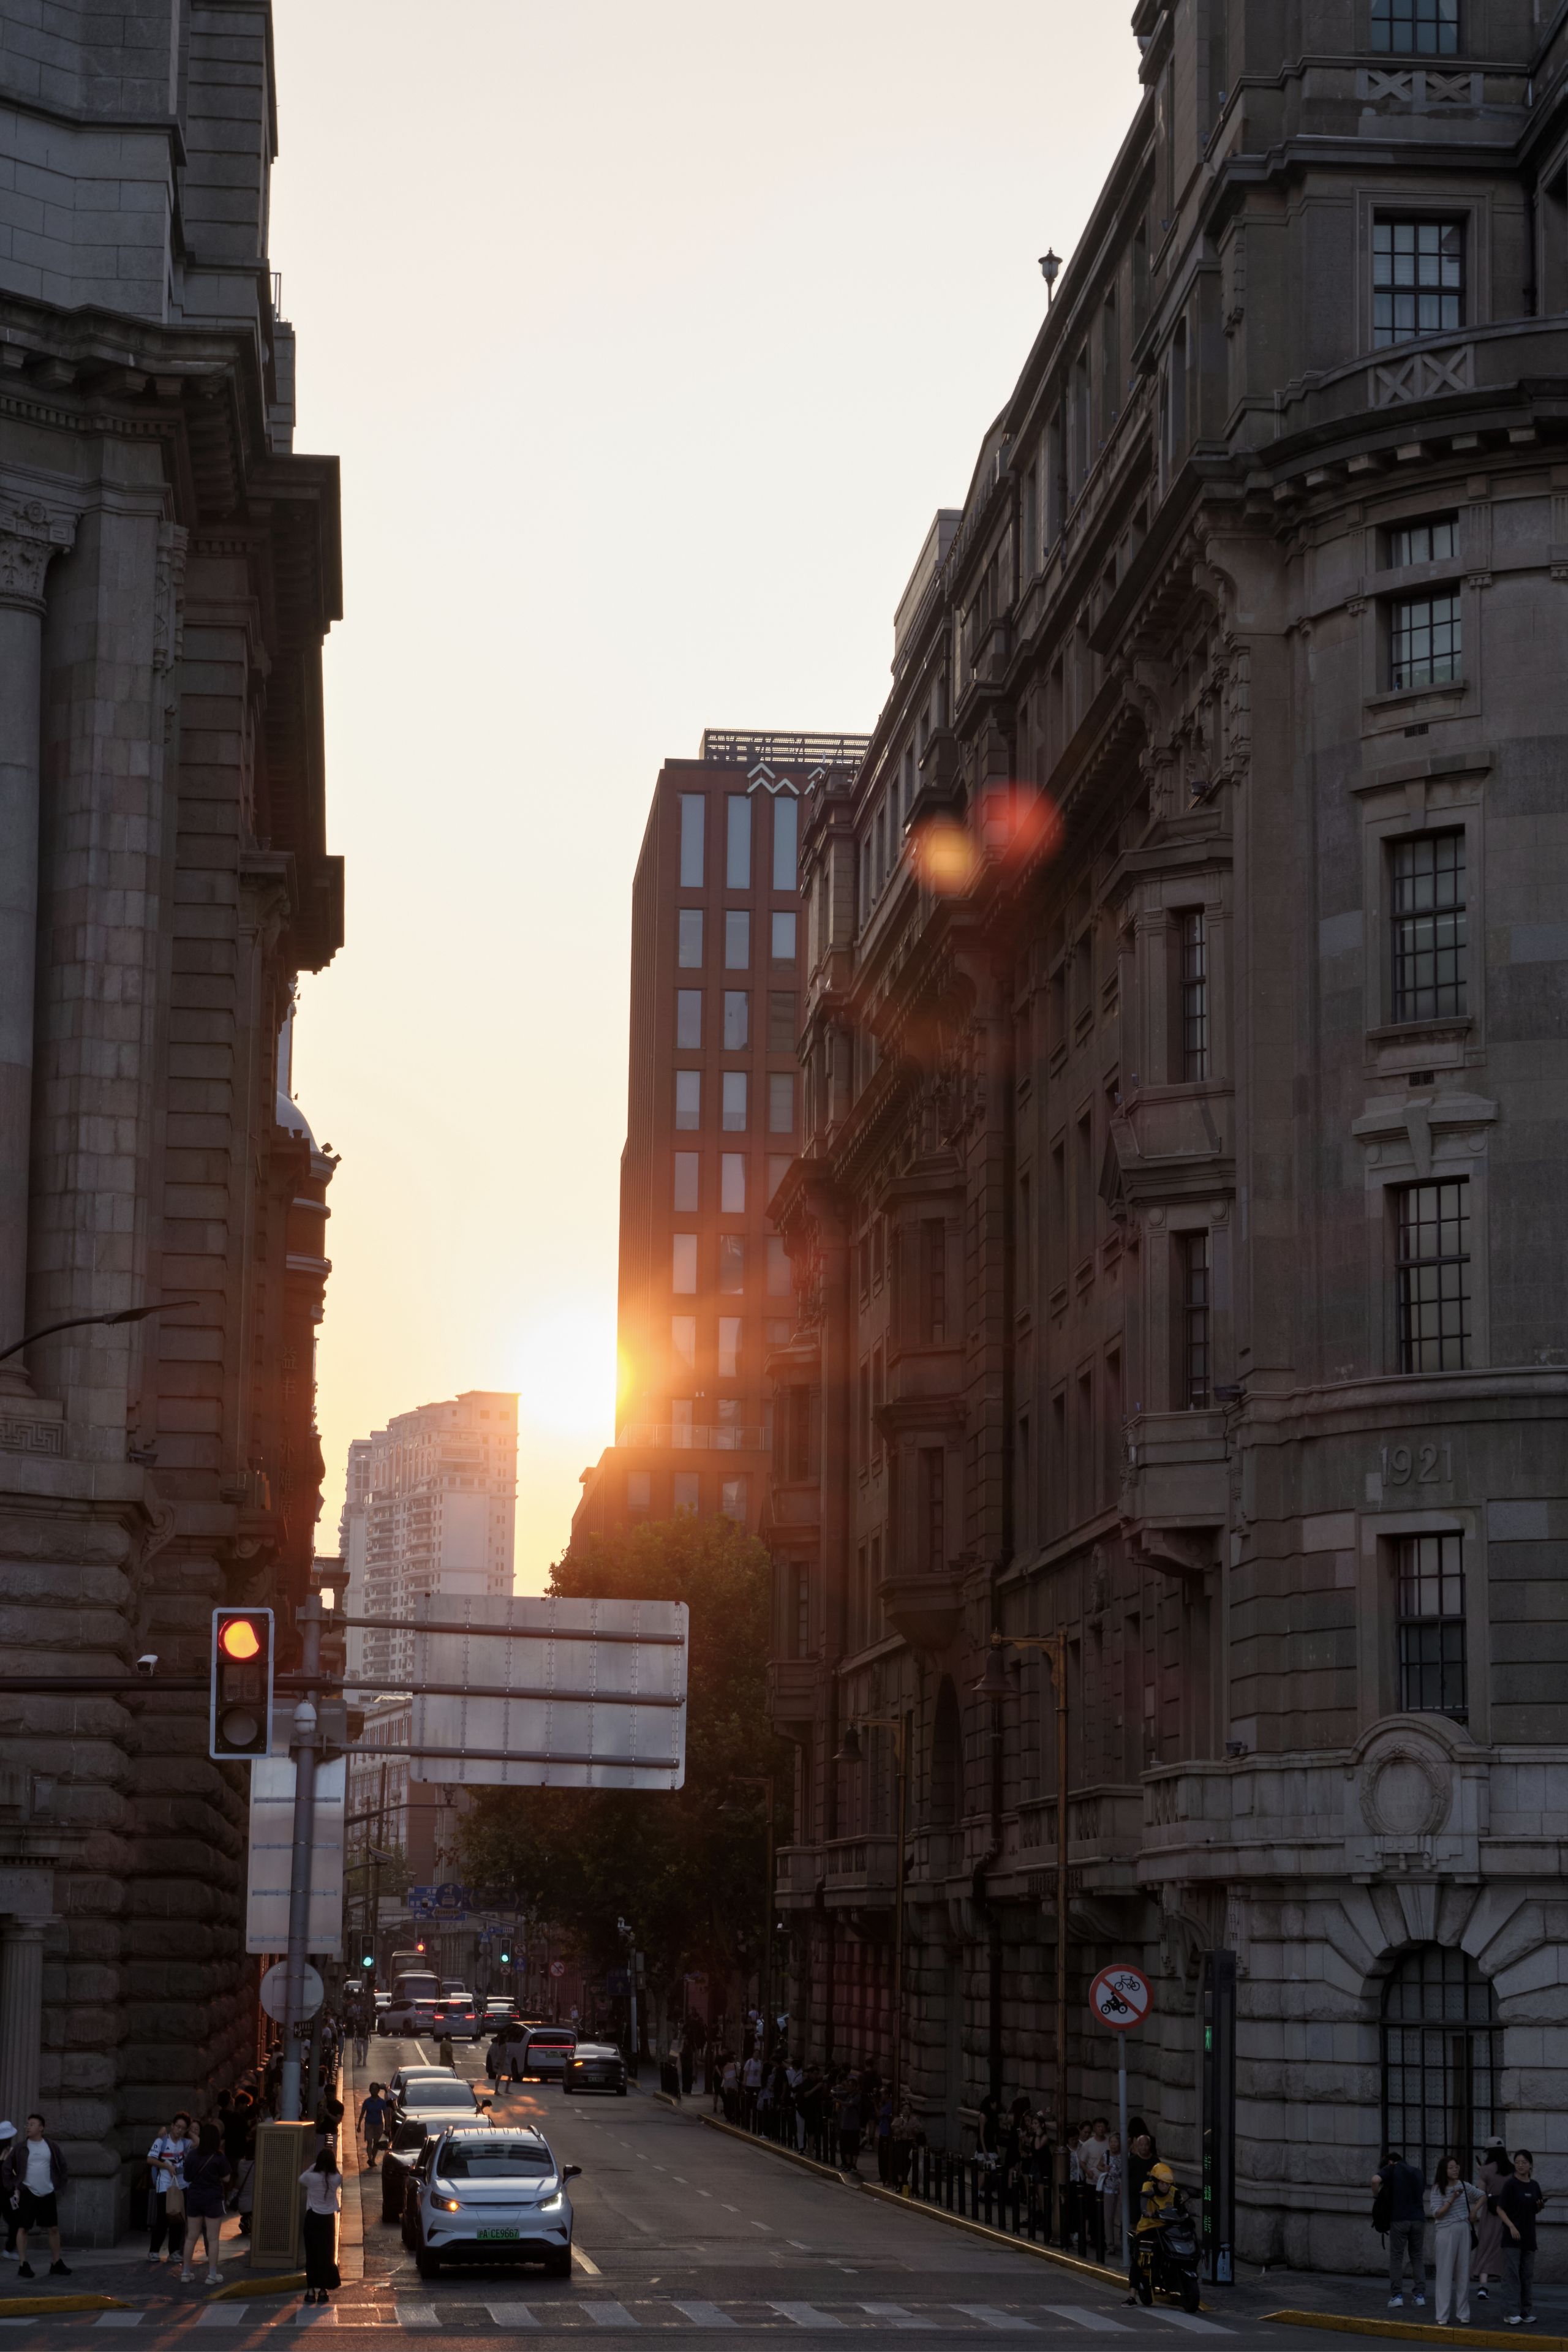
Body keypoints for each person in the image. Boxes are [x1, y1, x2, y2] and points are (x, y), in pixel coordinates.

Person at [2, 2113, 70, 2279]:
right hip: (28, 2193)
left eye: (32, 2124)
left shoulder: (51, 2146)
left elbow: (62, 2165)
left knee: (53, 2229)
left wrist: (60, 2183)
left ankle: (56, 2262)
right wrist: (13, 2186)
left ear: (41, 2128)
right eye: (27, 2124)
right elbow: (6, 2168)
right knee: (23, 2229)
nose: (28, 2127)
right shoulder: (20, 2148)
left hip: (47, 2192)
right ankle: (23, 2264)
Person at [1494, 2147, 1547, 2328]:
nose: (1520, 2165)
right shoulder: (1510, 2184)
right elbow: (1500, 2209)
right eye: (1517, 2162)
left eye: (1524, 2162)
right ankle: (1510, 2312)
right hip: (1512, 2238)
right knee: (1512, 2275)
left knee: (1527, 2276)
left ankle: (1525, 2311)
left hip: (1529, 2237)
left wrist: (1539, 2207)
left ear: (1531, 2165)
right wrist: (1511, 2226)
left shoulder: (1534, 2186)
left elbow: (1534, 2209)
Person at [1427, 2154, 1481, 2329]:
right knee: (1445, 2273)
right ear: (1444, 2170)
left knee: (1463, 2273)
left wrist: (1474, 2212)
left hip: (1463, 2228)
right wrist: (1452, 2199)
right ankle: (1442, 2314)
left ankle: (1463, 2314)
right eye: (1451, 2167)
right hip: (1446, 2230)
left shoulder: (1464, 2185)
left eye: (1456, 2166)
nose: (1455, 2169)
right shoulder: (1438, 2189)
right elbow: (1437, 2214)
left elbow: (1482, 2196)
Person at [1374, 2147, 1428, 2310]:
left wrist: (1376, 2196)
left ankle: (1397, 2296)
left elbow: (1375, 2180)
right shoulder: (1417, 2172)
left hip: (1399, 2219)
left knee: (1397, 2257)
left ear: (1391, 2162)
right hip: (1418, 2219)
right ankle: (1419, 2296)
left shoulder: (1392, 2169)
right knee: (1417, 2257)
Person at [179, 2119, 232, 2285]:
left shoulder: (192, 2155)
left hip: (195, 2197)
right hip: (213, 2198)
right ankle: (212, 2275)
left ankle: (185, 2273)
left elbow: (187, 2177)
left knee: (191, 2237)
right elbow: (227, 2178)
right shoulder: (219, 2157)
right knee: (213, 2238)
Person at [145, 2112, 194, 2264]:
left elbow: (199, 2142)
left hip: (181, 2185)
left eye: (183, 2128)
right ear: (172, 2125)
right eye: (177, 2126)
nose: (179, 2130)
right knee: (163, 2218)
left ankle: (173, 2252)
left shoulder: (185, 2142)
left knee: (178, 2218)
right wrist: (166, 2166)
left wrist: (189, 2132)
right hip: (165, 2185)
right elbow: (150, 2159)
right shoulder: (162, 2141)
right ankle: (154, 2251)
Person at [298, 2143, 342, 2307]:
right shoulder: (336, 2179)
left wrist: (313, 2166)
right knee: (326, 2255)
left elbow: (302, 2178)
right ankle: (323, 2291)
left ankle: (310, 2291)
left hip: (312, 2218)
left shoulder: (311, 2178)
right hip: (328, 2220)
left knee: (312, 2255)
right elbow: (338, 2175)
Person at [1473, 2139, 1509, 2301]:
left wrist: (1474, 2210)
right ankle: (1509, 2286)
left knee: (1485, 2248)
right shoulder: (1512, 2169)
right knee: (1506, 2250)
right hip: (1508, 2214)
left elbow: (1481, 2194)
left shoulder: (1485, 2170)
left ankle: (1483, 2286)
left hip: (1490, 2214)